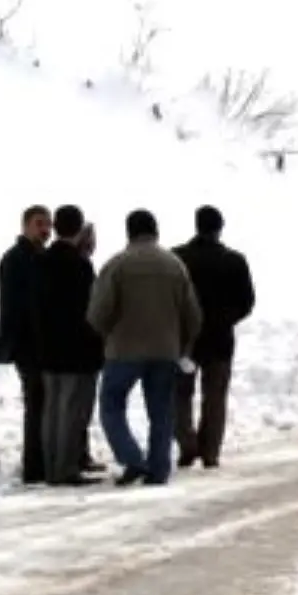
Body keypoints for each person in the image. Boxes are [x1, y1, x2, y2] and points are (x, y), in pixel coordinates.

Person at [87, 208, 202, 486]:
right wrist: (183, 345)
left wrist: (107, 334)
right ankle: (159, 469)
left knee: (111, 406)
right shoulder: (175, 266)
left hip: (123, 350)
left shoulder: (117, 265)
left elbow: (98, 312)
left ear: (129, 232)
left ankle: (132, 458)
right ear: (156, 231)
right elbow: (193, 314)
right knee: (161, 411)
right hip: (165, 350)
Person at [172, 205, 256, 469]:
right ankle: (210, 451)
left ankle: (187, 444)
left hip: (186, 340)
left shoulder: (178, 258)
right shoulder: (234, 261)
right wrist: (227, 319)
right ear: (220, 228)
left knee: (180, 395)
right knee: (215, 397)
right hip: (220, 339)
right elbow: (247, 301)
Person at [36, 204, 104, 487]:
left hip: (48, 348)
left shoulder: (40, 261)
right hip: (77, 351)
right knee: (72, 412)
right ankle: (66, 468)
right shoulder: (80, 266)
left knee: (51, 411)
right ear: (78, 230)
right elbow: (91, 310)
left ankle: (51, 465)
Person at [0, 204, 52, 485]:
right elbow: (19, 307)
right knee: (36, 405)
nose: (45, 230)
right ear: (25, 226)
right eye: (40, 224)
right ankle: (34, 466)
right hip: (29, 347)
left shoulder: (37, 257)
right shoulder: (17, 259)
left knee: (42, 404)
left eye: (48, 225)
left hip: (38, 345)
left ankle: (41, 462)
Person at [75, 222, 105, 474]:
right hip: (83, 350)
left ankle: (78, 453)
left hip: (80, 348)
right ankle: (77, 455)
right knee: (79, 407)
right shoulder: (81, 268)